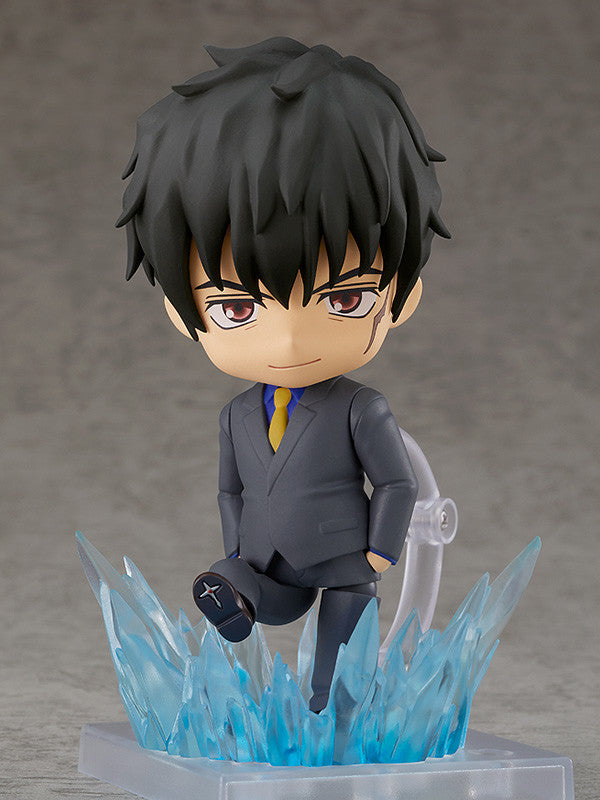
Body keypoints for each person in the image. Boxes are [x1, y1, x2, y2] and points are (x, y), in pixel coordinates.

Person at [117, 36, 449, 712]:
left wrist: (381, 553)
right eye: (238, 307)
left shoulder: (361, 408)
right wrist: (236, 550)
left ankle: (333, 705)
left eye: (344, 299)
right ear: (184, 314)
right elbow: (230, 488)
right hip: (266, 566)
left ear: (401, 295)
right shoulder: (236, 415)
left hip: (343, 561)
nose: (292, 339)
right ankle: (232, 592)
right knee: (243, 595)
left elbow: (397, 481)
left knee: (336, 671)